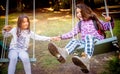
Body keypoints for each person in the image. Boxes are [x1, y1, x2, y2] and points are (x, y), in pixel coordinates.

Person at [48, 3, 114, 73]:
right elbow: (71, 33)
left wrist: (111, 20)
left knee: (88, 36)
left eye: (80, 12)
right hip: (86, 43)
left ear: (85, 11)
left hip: (97, 41)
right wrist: (61, 37)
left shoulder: (95, 21)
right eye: (77, 13)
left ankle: (86, 59)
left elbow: (109, 27)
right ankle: (64, 53)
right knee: (75, 41)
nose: (78, 14)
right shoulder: (80, 24)